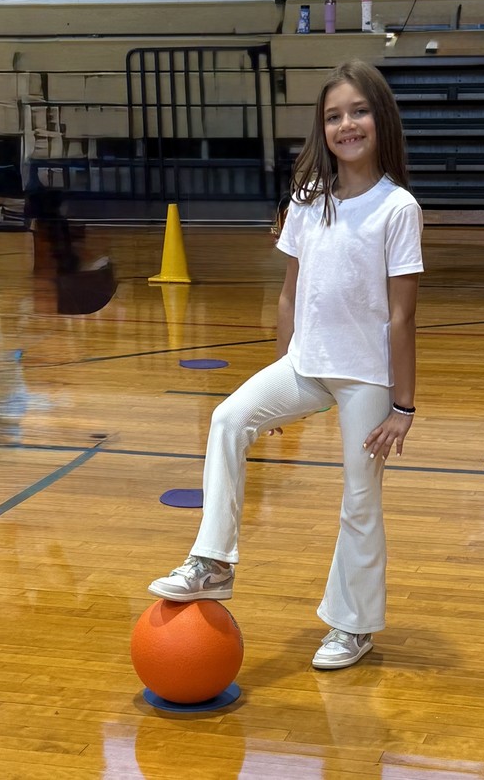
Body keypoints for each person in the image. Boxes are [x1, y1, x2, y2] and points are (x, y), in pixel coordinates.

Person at [148, 59, 424, 670]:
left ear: (381, 118)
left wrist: (403, 408)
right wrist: (279, 379)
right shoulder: (307, 200)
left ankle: (352, 626)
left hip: (366, 378)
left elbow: (402, 317)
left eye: (358, 112)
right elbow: (288, 296)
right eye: (333, 116)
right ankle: (213, 561)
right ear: (321, 128)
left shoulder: (397, 208)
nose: (346, 125)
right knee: (228, 418)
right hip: (304, 364)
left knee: (360, 499)